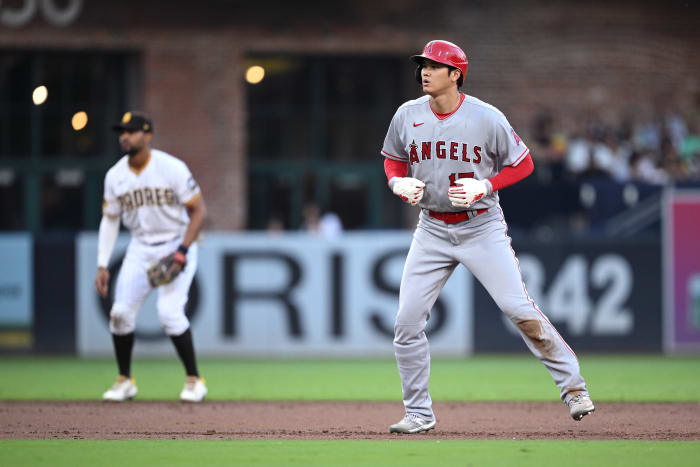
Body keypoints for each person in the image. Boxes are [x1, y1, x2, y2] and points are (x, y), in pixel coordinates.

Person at [381, 40, 594, 434]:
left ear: (456, 74)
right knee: (407, 321)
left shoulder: (486, 117)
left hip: (480, 226)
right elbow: (393, 158)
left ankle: (574, 388)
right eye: (422, 65)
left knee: (518, 309)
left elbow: (524, 163)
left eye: (434, 65)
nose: (424, 71)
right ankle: (418, 413)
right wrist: (397, 183)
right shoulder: (407, 114)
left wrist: (487, 185)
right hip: (431, 227)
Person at [95, 111, 208, 402]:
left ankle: (195, 380)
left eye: (131, 131)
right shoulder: (115, 176)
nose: (125, 136)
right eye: (122, 131)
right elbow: (110, 220)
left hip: (175, 241)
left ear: (147, 135)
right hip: (140, 246)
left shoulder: (171, 168)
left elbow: (199, 211)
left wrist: (182, 251)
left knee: (169, 314)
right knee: (120, 314)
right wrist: (102, 263)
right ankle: (124, 380)